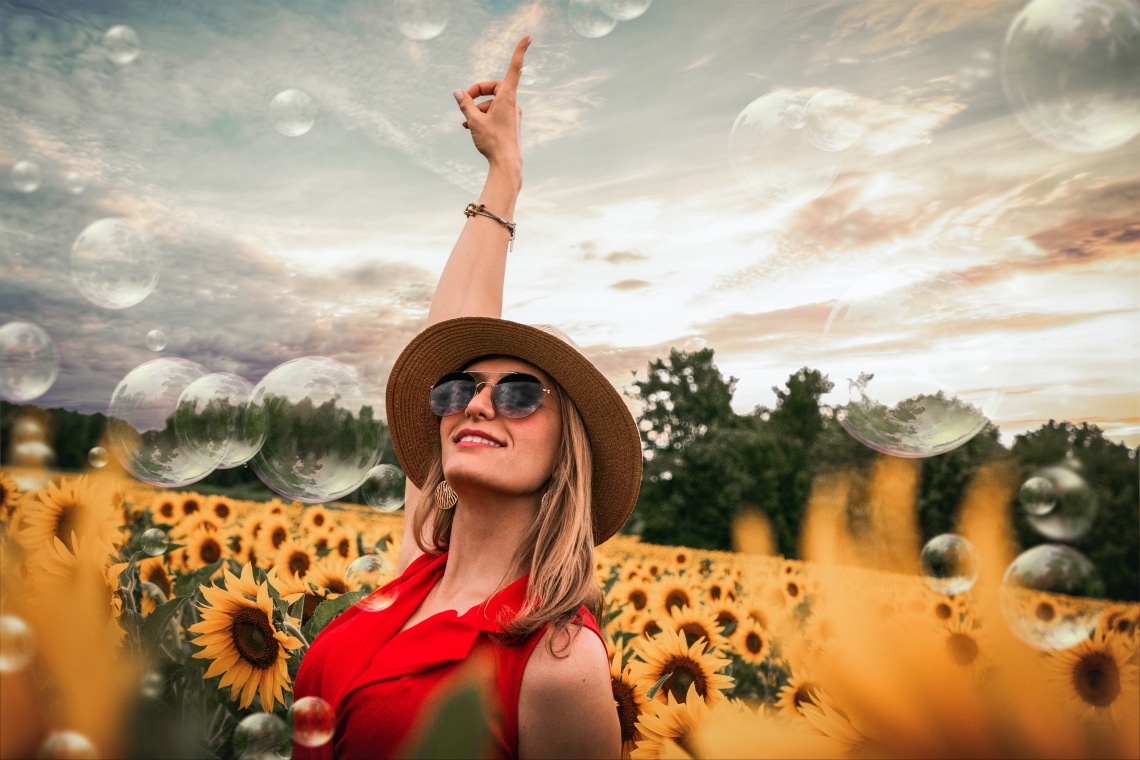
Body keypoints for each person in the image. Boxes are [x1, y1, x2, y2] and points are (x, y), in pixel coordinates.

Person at [293, 37, 642, 759]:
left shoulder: (557, 660)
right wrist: (503, 174)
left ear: (564, 453)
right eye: (460, 389)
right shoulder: (418, 571)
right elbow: (450, 330)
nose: (477, 405)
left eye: (518, 394)